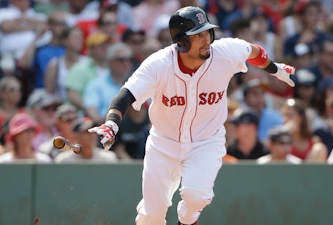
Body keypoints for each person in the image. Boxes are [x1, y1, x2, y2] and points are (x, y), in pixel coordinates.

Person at [88, 6, 295, 225]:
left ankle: (187, 221)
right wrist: (111, 123)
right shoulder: (159, 65)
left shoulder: (225, 51)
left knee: (197, 197)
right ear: (182, 41)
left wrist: (275, 68)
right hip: (164, 143)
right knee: (152, 214)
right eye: (198, 35)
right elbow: (127, 94)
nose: (206, 39)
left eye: (207, 32)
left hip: (207, 140)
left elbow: (253, 52)